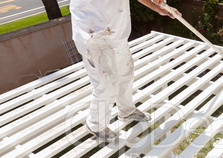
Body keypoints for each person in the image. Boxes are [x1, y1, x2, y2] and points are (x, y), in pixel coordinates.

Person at [70, 0, 180, 142]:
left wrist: (157, 8)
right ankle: (95, 125)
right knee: (107, 85)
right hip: (94, 34)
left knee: (126, 72)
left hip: (115, 30)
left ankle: (126, 110)